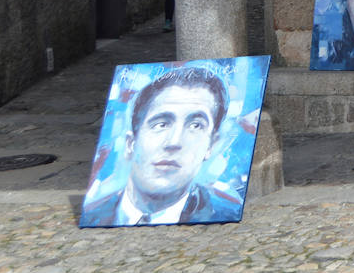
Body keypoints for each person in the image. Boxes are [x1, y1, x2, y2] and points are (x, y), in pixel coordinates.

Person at [82, 66, 243, 226]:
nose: (174, 142)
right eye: (161, 124)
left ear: (211, 145)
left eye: (195, 125)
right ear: (131, 143)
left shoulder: (226, 213)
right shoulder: (93, 214)